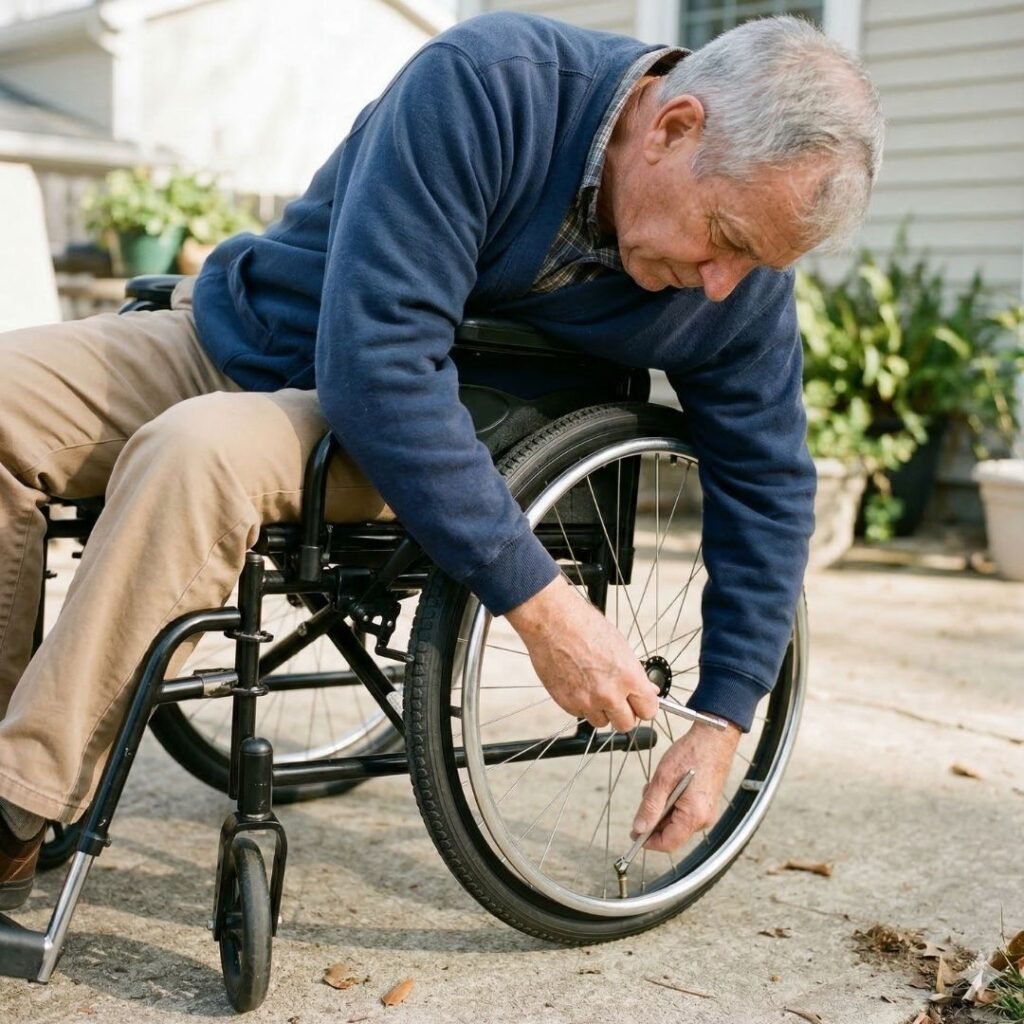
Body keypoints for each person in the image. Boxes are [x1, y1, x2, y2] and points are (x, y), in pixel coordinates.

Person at [0, 11, 883, 909]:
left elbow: (768, 485)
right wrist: (551, 615)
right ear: (674, 127)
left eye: (759, 264)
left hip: (410, 433)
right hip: (263, 331)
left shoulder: (736, 293)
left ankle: (14, 808)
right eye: (728, 239)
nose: (725, 285)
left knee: (193, 453)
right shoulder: (491, 83)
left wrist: (728, 714)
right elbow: (376, 351)